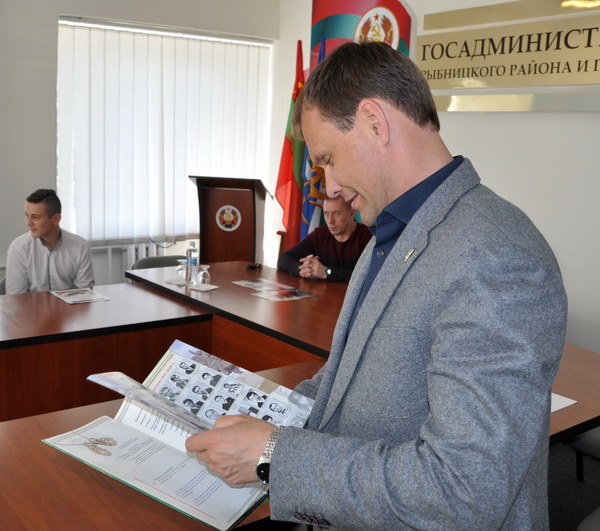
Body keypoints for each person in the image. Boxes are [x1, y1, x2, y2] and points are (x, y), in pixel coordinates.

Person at [186, 41, 567, 530]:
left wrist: (275, 454)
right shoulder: (392, 230)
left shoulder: (495, 255)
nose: (329, 186)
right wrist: (257, 412)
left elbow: (465, 491)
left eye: (328, 159)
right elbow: (349, 379)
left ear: (373, 121)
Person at [5, 189, 94, 294]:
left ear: (55, 219)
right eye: (26, 215)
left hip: (69, 305)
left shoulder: (80, 246)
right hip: (31, 305)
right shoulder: (18, 248)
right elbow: (16, 297)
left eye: (35, 217)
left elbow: (84, 293)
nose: (28, 223)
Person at [277, 196, 372, 282]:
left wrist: (326, 272)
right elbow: (283, 259)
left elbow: (369, 276)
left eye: (336, 213)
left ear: (351, 213)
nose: (330, 221)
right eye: (326, 214)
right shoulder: (320, 234)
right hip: (323, 294)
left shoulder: (368, 237)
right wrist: (303, 269)